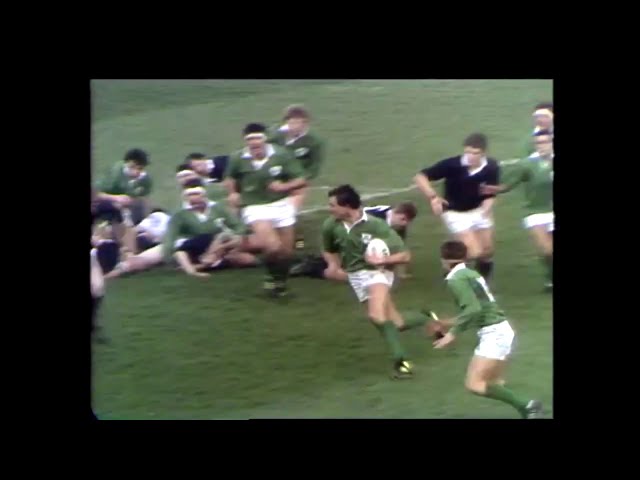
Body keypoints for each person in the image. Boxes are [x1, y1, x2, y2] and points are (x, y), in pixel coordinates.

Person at [321, 185, 432, 379]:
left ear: (347, 206)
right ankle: (426, 318)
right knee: (396, 323)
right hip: (356, 276)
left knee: (376, 315)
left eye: (332, 205)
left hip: (378, 273)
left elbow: (405, 256)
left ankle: (402, 362)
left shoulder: (376, 226)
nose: (329, 209)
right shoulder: (331, 225)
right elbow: (328, 248)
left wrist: (382, 261)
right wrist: (333, 265)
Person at [430, 240, 544, 419]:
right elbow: (478, 308)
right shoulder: (470, 273)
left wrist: (452, 334)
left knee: (474, 383)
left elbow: (473, 309)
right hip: (502, 329)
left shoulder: (454, 279)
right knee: (494, 382)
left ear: (444, 260)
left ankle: (527, 405)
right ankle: (527, 411)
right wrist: (448, 323)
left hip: (494, 334)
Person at [224, 123, 307, 297]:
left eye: (257, 137)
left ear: (265, 138)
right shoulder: (238, 158)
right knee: (273, 247)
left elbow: (301, 180)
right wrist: (232, 193)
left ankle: (280, 282)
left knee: (286, 253)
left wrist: (283, 187)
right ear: (245, 140)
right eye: (249, 139)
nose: (254, 142)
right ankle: (270, 275)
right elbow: (230, 178)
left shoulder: (281, 155)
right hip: (255, 207)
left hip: (281, 205)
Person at [414, 133, 499, 282]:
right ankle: (451, 261)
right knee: (474, 252)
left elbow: (490, 191)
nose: (470, 156)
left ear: (483, 153)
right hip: (455, 212)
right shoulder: (452, 165)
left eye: (475, 153)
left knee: (487, 251)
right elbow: (420, 177)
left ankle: (483, 283)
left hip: (479, 211)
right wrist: (433, 197)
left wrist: (487, 207)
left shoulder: (491, 167)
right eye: (467, 152)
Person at [481, 130, 553, 290]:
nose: (542, 146)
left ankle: (550, 279)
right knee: (548, 250)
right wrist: (490, 189)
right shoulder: (527, 164)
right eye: (538, 143)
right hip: (535, 212)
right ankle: (550, 277)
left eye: (545, 142)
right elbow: (508, 184)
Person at [290, 202, 418, 280]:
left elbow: (400, 249)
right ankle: (309, 267)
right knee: (345, 272)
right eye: (403, 219)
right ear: (395, 212)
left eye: (407, 221)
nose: (405, 224)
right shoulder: (374, 219)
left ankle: (305, 260)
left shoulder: (398, 225)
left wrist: (401, 273)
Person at [162, 182, 253, 278]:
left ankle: (203, 263)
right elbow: (170, 236)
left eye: (197, 195)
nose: (194, 199)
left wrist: (235, 236)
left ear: (204, 196)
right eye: (190, 196)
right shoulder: (180, 214)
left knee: (247, 259)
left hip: (219, 243)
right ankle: (205, 261)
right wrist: (168, 255)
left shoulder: (218, 209)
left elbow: (238, 226)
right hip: (194, 245)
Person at [268, 104, 326, 249]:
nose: (293, 126)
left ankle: (296, 237)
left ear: (305, 123)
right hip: (274, 178)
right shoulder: (274, 136)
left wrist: (299, 181)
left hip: (298, 181)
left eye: (296, 122)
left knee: (290, 210)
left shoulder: (314, 141)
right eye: (290, 122)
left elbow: (314, 167)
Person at [94, 148, 153, 257]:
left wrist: (146, 218)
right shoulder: (115, 173)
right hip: (107, 208)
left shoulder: (145, 179)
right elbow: (96, 194)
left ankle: (129, 252)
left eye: (140, 168)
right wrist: (116, 198)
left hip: (130, 210)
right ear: (127, 163)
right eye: (133, 167)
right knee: (114, 224)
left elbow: (144, 199)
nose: (136, 172)